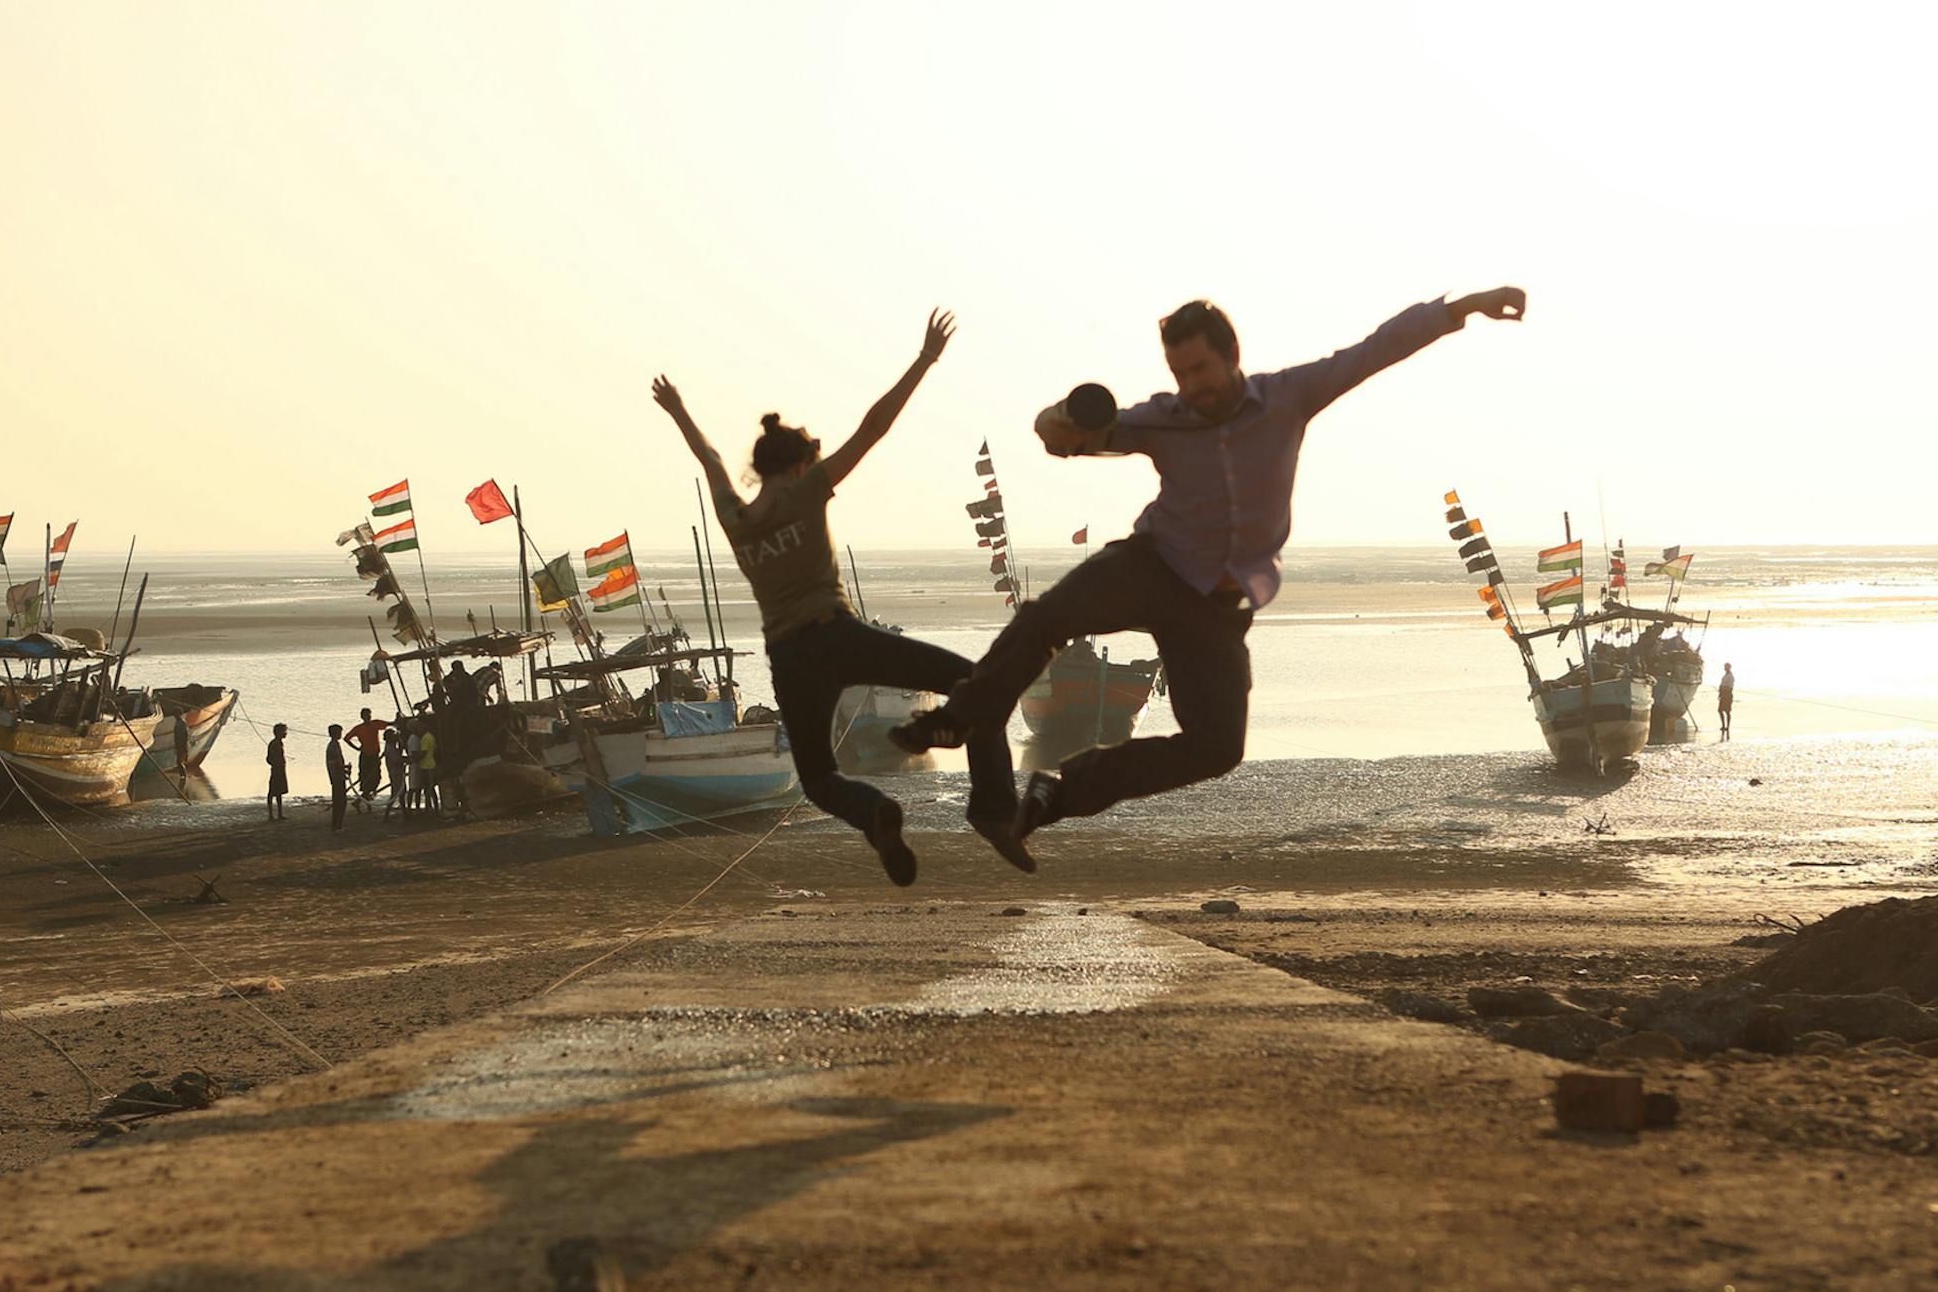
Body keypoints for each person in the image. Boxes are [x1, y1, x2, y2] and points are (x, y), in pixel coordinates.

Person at [892, 288, 1527, 842]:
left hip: (1217, 607)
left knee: (1218, 749)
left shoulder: (1289, 397)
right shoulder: (1163, 420)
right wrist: (1064, 422)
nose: (1191, 385)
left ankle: (1059, 792)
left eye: (1199, 368)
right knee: (1048, 616)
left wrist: (1463, 306)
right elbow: (1063, 438)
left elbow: (1375, 349)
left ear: (1231, 356)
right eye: (1179, 371)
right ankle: (960, 719)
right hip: (1151, 565)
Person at [651, 308, 1028, 885]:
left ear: (759, 468)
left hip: (788, 656)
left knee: (821, 780)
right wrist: (924, 359)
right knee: (978, 686)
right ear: (801, 463)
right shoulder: (809, 490)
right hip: (838, 634)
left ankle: (874, 812)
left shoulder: (734, 516)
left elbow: (710, 460)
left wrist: (678, 411)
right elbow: (872, 429)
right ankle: (994, 810)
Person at [345, 707, 391, 807]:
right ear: (362, 716)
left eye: (369, 715)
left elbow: (389, 724)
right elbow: (346, 738)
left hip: (374, 755)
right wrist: (357, 748)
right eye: (365, 715)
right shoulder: (359, 728)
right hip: (365, 756)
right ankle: (363, 801)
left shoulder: (375, 723)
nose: (368, 717)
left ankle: (362, 800)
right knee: (366, 779)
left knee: (376, 778)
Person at [325, 724, 350, 832]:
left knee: (338, 801)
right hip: (338, 777)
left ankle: (336, 825)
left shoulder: (333, 745)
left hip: (336, 776)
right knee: (340, 802)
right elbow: (337, 763)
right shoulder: (334, 746)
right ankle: (337, 826)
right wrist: (345, 768)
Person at [382, 721, 408, 817]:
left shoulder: (391, 746)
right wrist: (407, 760)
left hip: (396, 771)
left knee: (401, 792)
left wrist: (399, 741)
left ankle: (404, 812)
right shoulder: (390, 748)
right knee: (395, 793)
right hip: (395, 772)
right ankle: (387, 815)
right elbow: (398, 760)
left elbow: (400, 752)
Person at [265, 723, 289, 822]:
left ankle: (279, 814)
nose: (286, 733)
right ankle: (271, 815)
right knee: (272, 792)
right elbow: (269, 758)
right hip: (276, 770)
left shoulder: (278, 743)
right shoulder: (274, 744)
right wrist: (276, 764)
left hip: (280, 769)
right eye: (284, 731)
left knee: (279, 792)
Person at [1718, 662, 1735, 741]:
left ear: (1729, 667)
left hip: (1727, 695)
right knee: (1720, 710)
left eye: (1726, 667)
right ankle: (1723, 725)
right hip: (1723, 695)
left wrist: (1723, 689)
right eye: (1724, 666)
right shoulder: (1725, 675)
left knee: (1727, 711)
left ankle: (1727, 726)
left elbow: (1730, 688)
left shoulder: (1730, 676)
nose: (1725, 668)